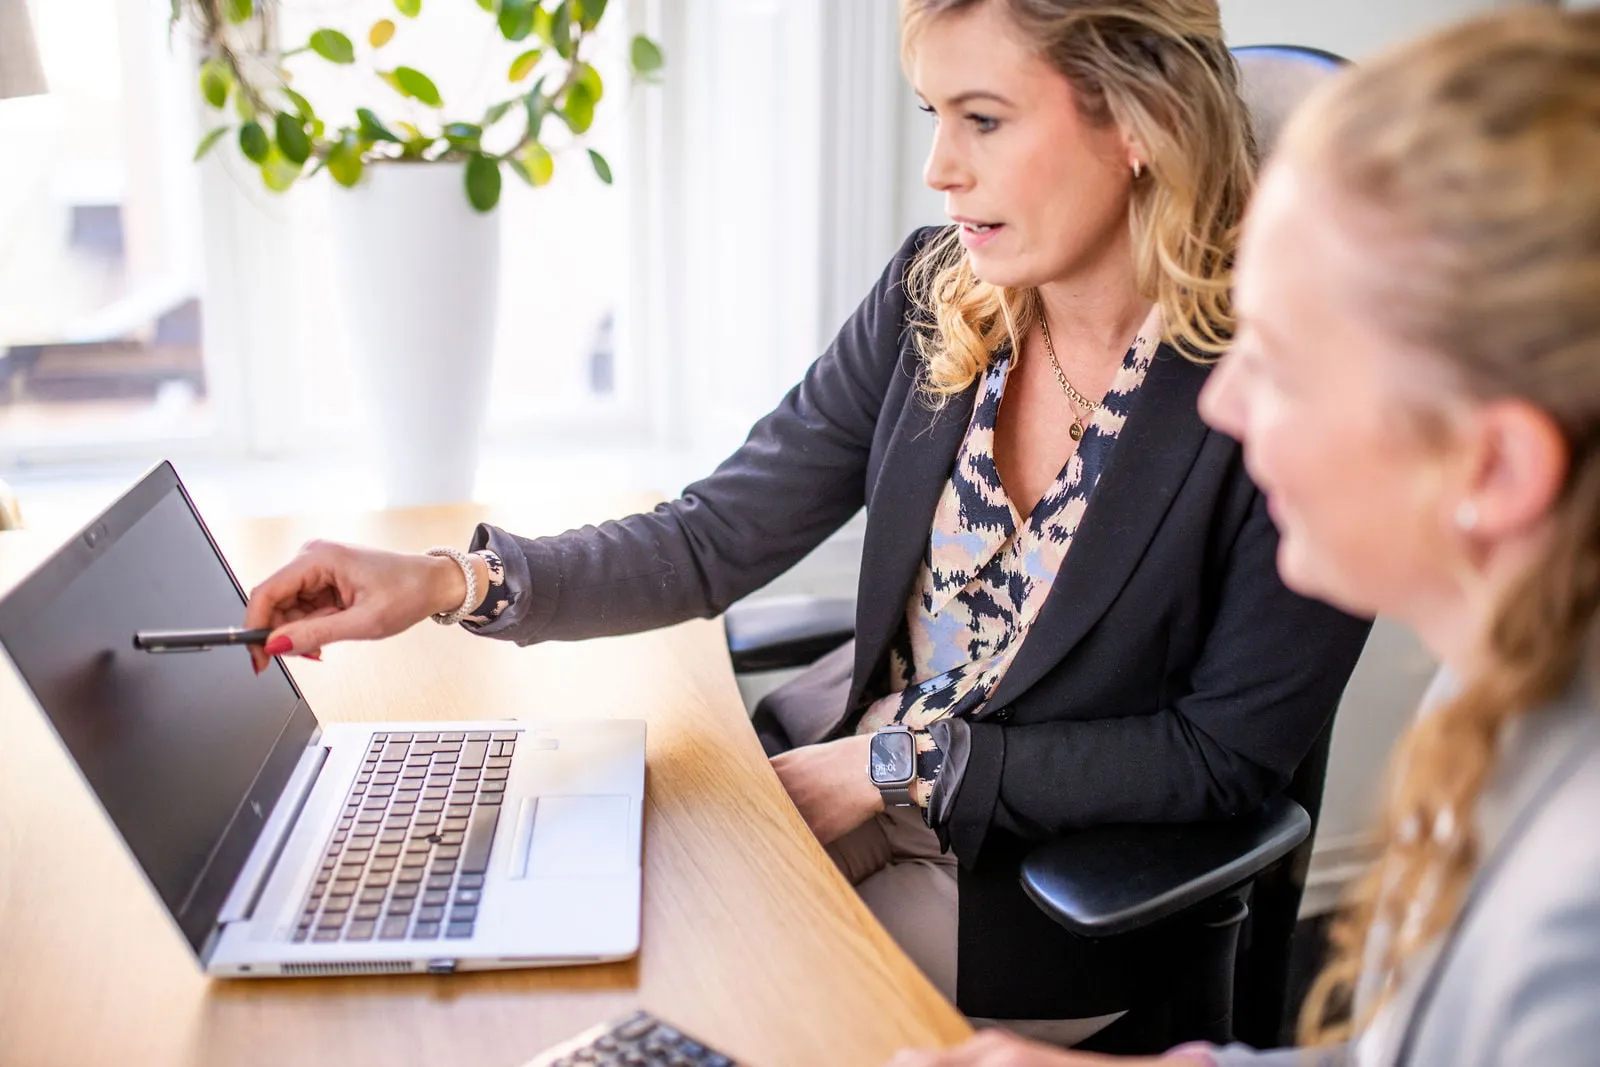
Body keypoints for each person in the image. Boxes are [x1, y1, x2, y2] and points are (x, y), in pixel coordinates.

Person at [242, 0, 1371, 1039]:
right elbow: (711, 533)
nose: (937, 168)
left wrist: (898, 763)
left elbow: (1217, 759)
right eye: (934, 115)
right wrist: (447, 580)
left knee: (671, 1003)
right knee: (516, 948)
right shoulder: (938, 292)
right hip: (834, 784)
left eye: (982, 118)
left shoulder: (1278, 383)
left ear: (1141, 121)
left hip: (1029, 901)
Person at [887, 6, 1600, 1065]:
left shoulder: (1572, 911)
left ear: (1492, 468)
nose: (1219, 409)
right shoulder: (1500, 692)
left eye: (1282, 359)